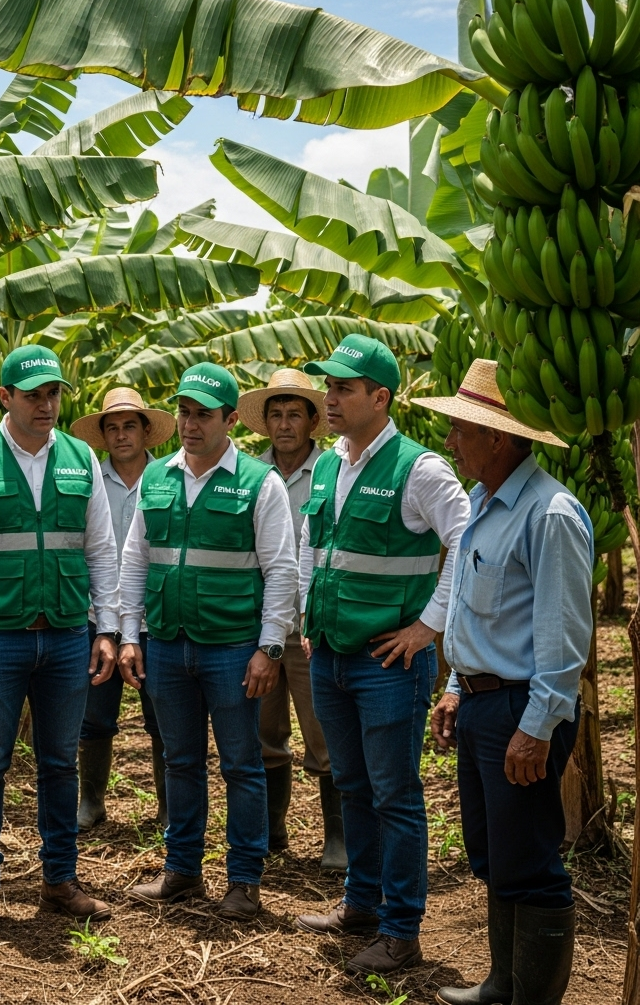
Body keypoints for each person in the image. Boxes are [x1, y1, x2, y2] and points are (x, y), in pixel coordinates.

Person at [413, 360, 592, 1005]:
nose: (451, 441)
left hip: (524, 708)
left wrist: (536, 728)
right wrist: (458, 684)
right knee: (494, 853)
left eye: (461, 429)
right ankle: (500, 984)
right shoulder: (485, 506)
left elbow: (563, 636)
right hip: (485, 704)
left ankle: (530, 998)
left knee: (533, 865)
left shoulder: (550, 514)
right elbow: (473, 612)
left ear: (499, 438)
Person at [295, 335, 470, 975]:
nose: (330, 398)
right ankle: (361, 904)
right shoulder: (331, 463)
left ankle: (402, 930)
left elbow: (468, 542)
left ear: (380, 397)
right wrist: (311, 617)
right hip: (332, 655)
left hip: (389, 662)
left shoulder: (419, 469)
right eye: (329, 386)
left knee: (395, 794)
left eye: (343, 388)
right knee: (354, 785)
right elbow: (322, 551)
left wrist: (430, 626)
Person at [0, 345, 120, 934]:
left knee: (60, 763)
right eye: (34, 394)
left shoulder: (81, 459)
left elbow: (102, 550)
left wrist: (107, 628)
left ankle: (59, 880)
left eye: (54, 393)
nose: (47, 404)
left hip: (64, 636)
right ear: (4, 397)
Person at [118, 362, 297, 921]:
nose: (191, 424)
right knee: (180, 760)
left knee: (242, 764)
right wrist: (129, 636)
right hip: (168, 643)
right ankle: (183, 869)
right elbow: (134, 561)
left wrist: (269, 648)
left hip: (231, 647)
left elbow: (282, 570)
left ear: (228, 419)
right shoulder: (157, 478)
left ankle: (244, 880)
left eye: (203, 414)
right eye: (185, 413)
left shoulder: (258, 482)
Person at [236, 367, 345, 869]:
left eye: (293, 415)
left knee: (323, 733)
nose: (284, 425)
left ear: (311, 421)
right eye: (276, 415)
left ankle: (338, 838)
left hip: (306, 631)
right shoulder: (247, 475)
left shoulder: (332, 472)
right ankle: (271, 830)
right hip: (255, 629)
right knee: (263, 731)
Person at [69, 388, 177, 831]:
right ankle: (90, 801)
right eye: (111, 428)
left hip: (155, 615)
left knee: (163, 718)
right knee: (94, 716)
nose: (121, 435)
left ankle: (169, 807)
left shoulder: (168, 477)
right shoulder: (90, 478)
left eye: (129, 425)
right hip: (98, 614)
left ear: (146, 430)